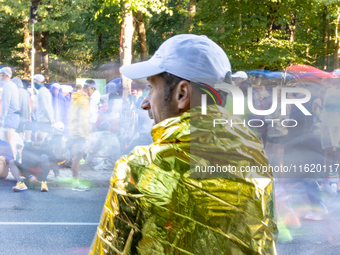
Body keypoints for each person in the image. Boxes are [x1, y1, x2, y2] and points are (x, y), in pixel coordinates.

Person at [89, 34, 277, 254]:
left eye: (152, 88)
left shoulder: (137, 170)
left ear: (182, 94)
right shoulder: (255, 161)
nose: (145, 103)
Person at [68, 87, 90, 191]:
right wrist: (86, 134)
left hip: (74, 131)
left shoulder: (76, 98)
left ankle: (75, 182)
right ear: (89, 88)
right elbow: (83, 119)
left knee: (76, 158)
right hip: (80, 132)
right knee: (77, 157)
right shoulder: (83, 100)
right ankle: (75, 183)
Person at [0, 67, 20, 160]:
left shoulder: (8, 86)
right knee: (8, 140)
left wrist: (3, 118)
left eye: (1, 74)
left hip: (10, 116)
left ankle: (12, 162)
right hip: (13, 116)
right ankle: (10, 162)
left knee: (9, 141)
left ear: (5, 75)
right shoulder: (12, 85)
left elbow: (6, 103)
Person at [35, 75, 54, 140]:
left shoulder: (42, 91)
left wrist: (50, 118)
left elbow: (45, 106)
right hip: (45, 119)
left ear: (38, 81)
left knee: (42, 139)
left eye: (34, 80)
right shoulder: (44, 90)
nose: (33, 82)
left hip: (44, 120)